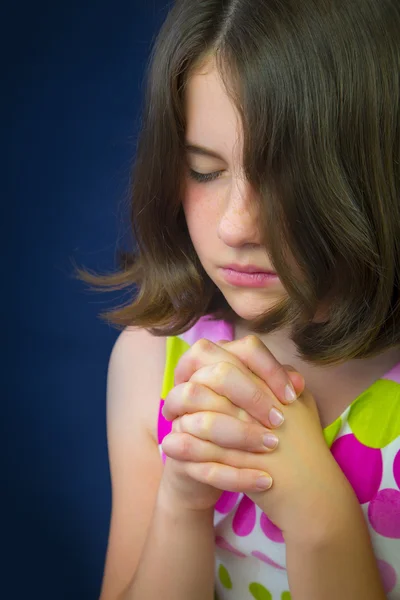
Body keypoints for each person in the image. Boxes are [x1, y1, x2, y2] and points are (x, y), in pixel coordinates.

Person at [76, 0, 400, 598]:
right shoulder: (154, 366)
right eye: (204, 171)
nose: (236, 227)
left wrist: (321, 521)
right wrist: (182, 502)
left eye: (285, 176)